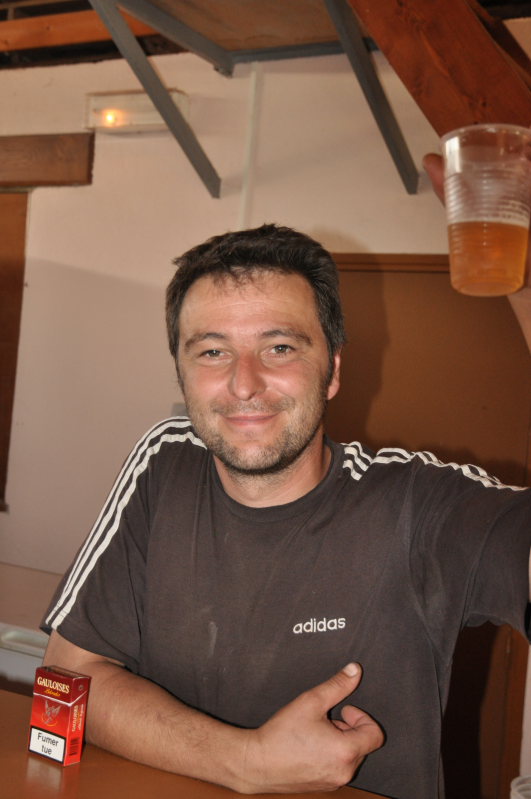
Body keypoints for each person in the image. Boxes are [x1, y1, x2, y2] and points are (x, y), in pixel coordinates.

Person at [41, 162, 531, 799]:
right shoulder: (166, 464)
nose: (244, 384)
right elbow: (66, 683)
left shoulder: (419, 503)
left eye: (280, 347)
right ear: (181, 373)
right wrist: (244, 760)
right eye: (212, 351)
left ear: (332, 371)